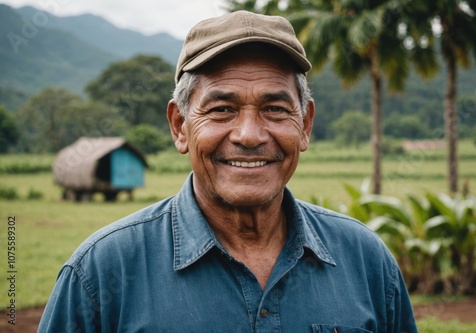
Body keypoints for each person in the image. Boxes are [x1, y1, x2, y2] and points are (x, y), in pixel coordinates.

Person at [38, 10, 418, 333]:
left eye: (275, 109)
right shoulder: (100, 274)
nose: (250, 136)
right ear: (179, 126)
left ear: (304, 125)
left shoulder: (367, 261)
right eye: (221, 109)